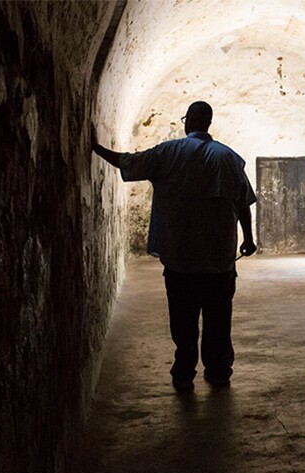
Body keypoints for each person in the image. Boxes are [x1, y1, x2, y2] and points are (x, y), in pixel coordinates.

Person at [91, 101, 257, 392]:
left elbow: (129, 162)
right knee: (219, 318)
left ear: (189, 120)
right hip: (219, 259)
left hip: (180, 257)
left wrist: (96, 148)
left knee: (183, 320)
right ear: (208, 122)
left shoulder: (168, 153)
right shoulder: (229, 158)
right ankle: (219, 371)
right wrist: (248, 238)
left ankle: (183, 373)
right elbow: (243, 205)